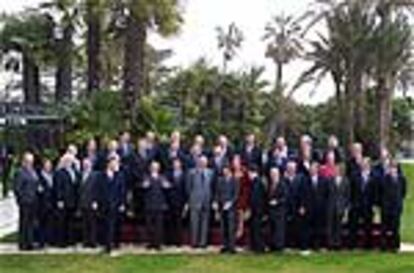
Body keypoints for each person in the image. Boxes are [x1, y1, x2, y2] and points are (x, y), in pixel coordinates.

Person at [98, 154, 126, 253]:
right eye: (113, 163)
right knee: (105, 226)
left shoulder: (120, 176)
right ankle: (106, 245)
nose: (115, 165)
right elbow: (98, 190)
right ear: (109, 164)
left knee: (112, 226)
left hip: (115, 204)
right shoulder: (101, 175)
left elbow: (122, 191)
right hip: (104, 204)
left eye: (116, 163)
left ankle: (111, 246)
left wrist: (122, 203)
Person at [186, 155, 214, 248]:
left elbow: (212, 187)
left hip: (206, 201)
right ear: (197, 162)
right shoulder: (191, 173)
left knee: (205, 223)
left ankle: (203, 242)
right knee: (194, 222)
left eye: (204, 161)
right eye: (201, 161)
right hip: (195, 201)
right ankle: (194, 242)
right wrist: (190, 200)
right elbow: (188, 188)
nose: (202, 163)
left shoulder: (211, 173)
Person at [142, 161, 170, 250]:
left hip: (159, 205)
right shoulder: (146, 177)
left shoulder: (162, 177)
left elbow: (168, 187)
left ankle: (158, 244)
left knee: (159, 226)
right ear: (150, 168)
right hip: (149, 205)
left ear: (159, 168)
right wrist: (144, 185)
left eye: (156, 166)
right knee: (149, 226)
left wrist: (167, 185)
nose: (154, 168)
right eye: (153, 166)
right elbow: (143, 187)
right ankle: (150, 243)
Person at [14, 152, 39, 250]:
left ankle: (30, 242)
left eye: (31, 161)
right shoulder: (20, 172)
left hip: (33, 201)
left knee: (31, 223)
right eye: (28, 161)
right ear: (24, 161)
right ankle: (23, 244)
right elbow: (17, 188)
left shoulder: (32, 171)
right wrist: (21, 200)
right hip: (25, 202)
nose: (30, 163)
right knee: (24, 223)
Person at [53, 153, 80, 247]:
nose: (69, 162)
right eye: (67, 161)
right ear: (63, 162)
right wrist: (59, 200)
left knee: (71, 222)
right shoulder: (59, 172)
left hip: (72, 201)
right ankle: (61, 242)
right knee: (62, 222)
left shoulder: (75, 172)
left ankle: (71, 240)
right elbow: (58, 187)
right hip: (63, 201)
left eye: (70, 161)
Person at [349, 157, 376, 248]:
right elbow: (351, 191)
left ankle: (368, 244)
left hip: (368, 205)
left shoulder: (374, 177)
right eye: (362, 164)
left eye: (366, 164)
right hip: (356, 205)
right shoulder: (355, 176)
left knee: (368, 226)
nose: (364, 165)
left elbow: (376, 192)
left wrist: (374, 204)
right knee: (353, 225)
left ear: (369, 165)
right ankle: (352, 244)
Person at [380, 160, 407, 251]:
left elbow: (403, 193)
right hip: (386, 207)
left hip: (396, 207)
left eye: (395, 167)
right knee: (384, 228)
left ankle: (395, 245)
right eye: (391, 167)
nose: (393, 169)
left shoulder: (402, 179)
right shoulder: (385, 179)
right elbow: (381, 192)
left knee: (395, 227)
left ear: (397, 168)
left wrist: (398, 203)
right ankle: (384, 245)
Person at [215, 165, 239, 253]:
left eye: (226, 170)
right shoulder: (220, 180)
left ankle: (232, 247)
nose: (225, 172)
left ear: (230, 171)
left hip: (231, 208)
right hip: (222, 207)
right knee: (223, 227)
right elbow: (217, 193)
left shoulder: (235, 180)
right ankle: (225, 245)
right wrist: (216, 202)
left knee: (231, 228)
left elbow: (236, 194)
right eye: (223, 170)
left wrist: (230, 203)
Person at [306, 162, 329, 250]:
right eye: (311, 168)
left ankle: (319, 245)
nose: (312, 170)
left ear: (317, 170)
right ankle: (310, 245)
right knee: (309, 228)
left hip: (320, 208)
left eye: (314, 168)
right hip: (309, 208)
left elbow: (326, 194)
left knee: (319, 227)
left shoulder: (323, 180)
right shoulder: (305, 180)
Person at [326, 165, 350, 250]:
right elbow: (326, 195)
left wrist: (346, 208)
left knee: (338, 226)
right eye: (334, 170)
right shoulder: (329, 180)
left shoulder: (346, 181)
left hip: (340, 207)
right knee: (330, 226)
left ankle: (338, 244)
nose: (335, 171)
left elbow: (347, 196)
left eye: (337, 169)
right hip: (330, 207)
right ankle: (330, 244)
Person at [165, 158, 187, 246]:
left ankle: (178, 241)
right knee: (170, 222)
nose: (176, 165)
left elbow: (186, 189)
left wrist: (186, 202)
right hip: (170, 201)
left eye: (178, 163)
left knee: (179, 222)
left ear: (180, 164)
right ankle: (170, 241)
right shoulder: (168, 174)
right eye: (175, 163)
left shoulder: (185, 174)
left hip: (180, 201)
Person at [79, 158, 99, 247]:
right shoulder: (80, 175)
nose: (86, 165)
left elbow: (97, 189)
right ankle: (85, 241)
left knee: (93, 223)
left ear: (91, 165)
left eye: (87, 164)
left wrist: (95, 201)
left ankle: (93, 241)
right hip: (83, 202)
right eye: (84, 164)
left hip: (92, 202)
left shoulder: (95, 175)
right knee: (84, 224)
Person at [267, 167, 288, 252]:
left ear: (278, 174)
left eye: (274, 174)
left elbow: (285, 197)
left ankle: (279, 247)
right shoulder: (270, 184)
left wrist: (277, 202)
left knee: (279, 229)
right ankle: (273, 246)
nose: (273, 176)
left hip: (279, 211)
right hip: (271, 211)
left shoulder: (282, 184)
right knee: (272, 229)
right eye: (271, 174)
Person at [36, 159, 55, 248]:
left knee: (49, 223)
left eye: (49, 165)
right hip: (42, 204)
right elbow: (39, 190)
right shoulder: (39, 176)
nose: (48, 167)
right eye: (47, 165)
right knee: (42, 224)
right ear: (44, 166)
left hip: (51, 203)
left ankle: (49, 240)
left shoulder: (52, 175)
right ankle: (41, 242)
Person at [283, 161, 302, 248]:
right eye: (289, 168)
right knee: (287, 226)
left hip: (297, 205)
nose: (291, 170)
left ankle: (297, 244)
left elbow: (303, 193)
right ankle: (288, 244)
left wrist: (302, 205)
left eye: (292, 168)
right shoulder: (283, 179)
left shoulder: (300, 178)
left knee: (297, 226)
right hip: (286, 207)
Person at [249, 165, 266, 253]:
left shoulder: (257, 182)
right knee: (255, 229)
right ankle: (255, 246)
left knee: (257, 230)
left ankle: (259, 247)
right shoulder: (256, 182)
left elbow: (256, 198)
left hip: (257, 211)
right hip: (256, 210)